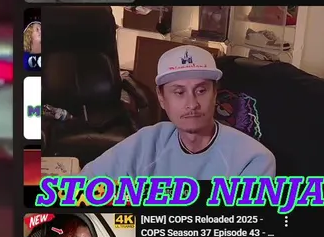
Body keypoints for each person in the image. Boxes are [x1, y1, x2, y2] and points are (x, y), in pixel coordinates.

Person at [80, 46, 276, 179]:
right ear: (162, 98)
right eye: (179, 92)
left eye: (201, 91)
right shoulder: (148, 141)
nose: (192, 104)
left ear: (215, 94)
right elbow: (85, 183)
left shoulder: (253, 159)